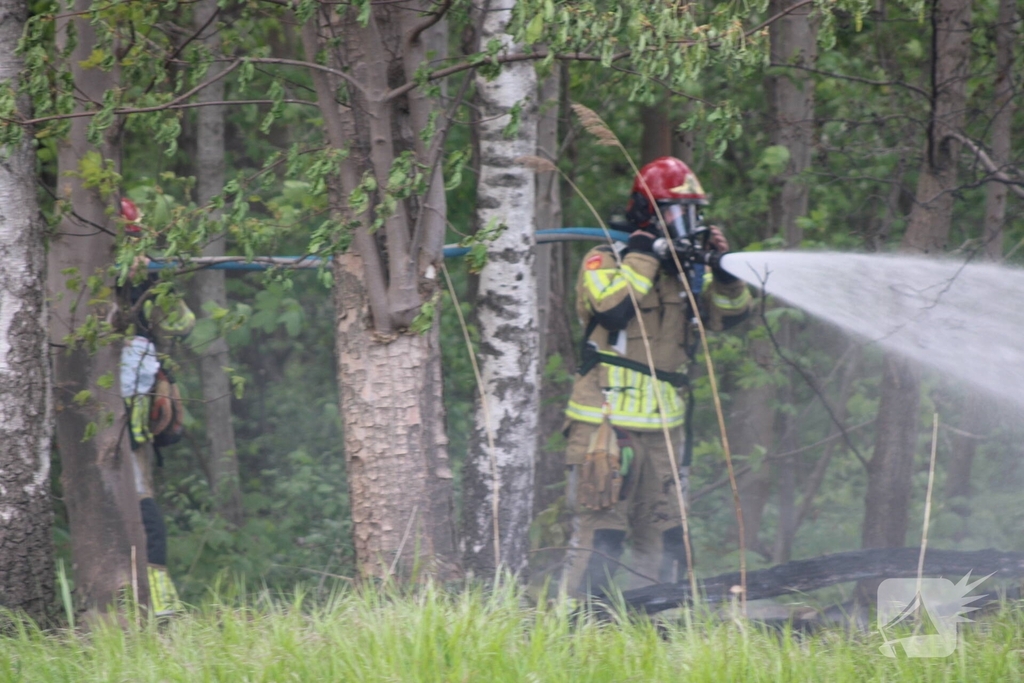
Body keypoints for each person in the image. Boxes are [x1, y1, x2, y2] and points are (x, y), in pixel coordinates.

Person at [561, 157, 753, 595]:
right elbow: (613, 310)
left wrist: (725, 276)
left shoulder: (685, 275)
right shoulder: (605, 259)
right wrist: (643, 256)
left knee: (665, 538)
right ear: (646, 213)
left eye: (692, 215)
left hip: (665, 432)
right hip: (604, 428)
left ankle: (651, 626)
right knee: (601, 537)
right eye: (674, 213)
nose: (685, 225)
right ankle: (574, 631)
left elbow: (730, 320)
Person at [116, 198, 196, 615]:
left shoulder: (146, 281)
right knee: (127, 506)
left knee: (141, 501)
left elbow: (182, 324)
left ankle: (157, 604)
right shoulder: (77, 282)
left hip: (137, 418)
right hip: (100, 413)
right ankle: (138, 603)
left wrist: (157, 283)